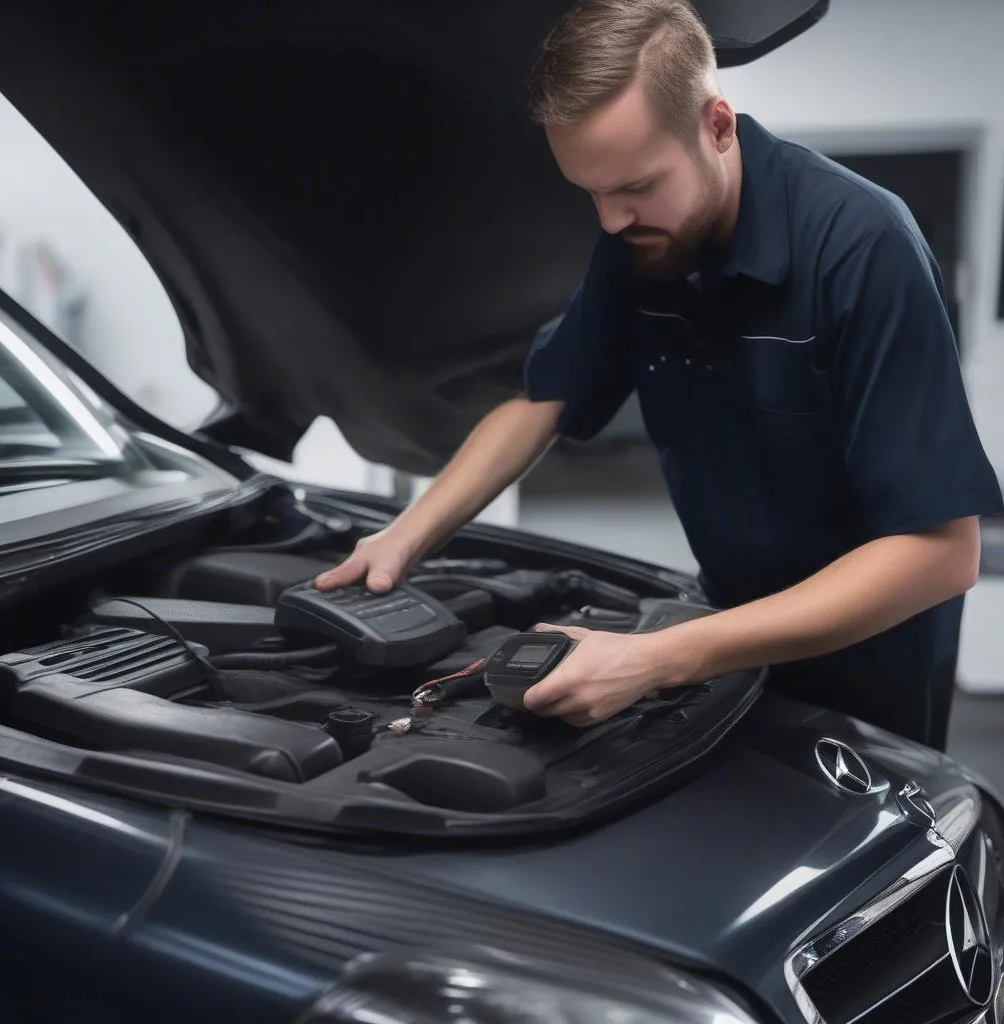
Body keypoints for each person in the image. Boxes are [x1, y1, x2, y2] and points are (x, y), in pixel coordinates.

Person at [316, 0, 1003, 749]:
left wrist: (654, 658)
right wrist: (406, 536)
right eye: (592, 193)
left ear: (717, 126)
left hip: (869, 669)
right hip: (722, 633)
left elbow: (940, 554)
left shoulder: (862, 248)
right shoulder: (640, 242)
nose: (611, 220)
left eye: (635, 186)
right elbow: (544, 397)